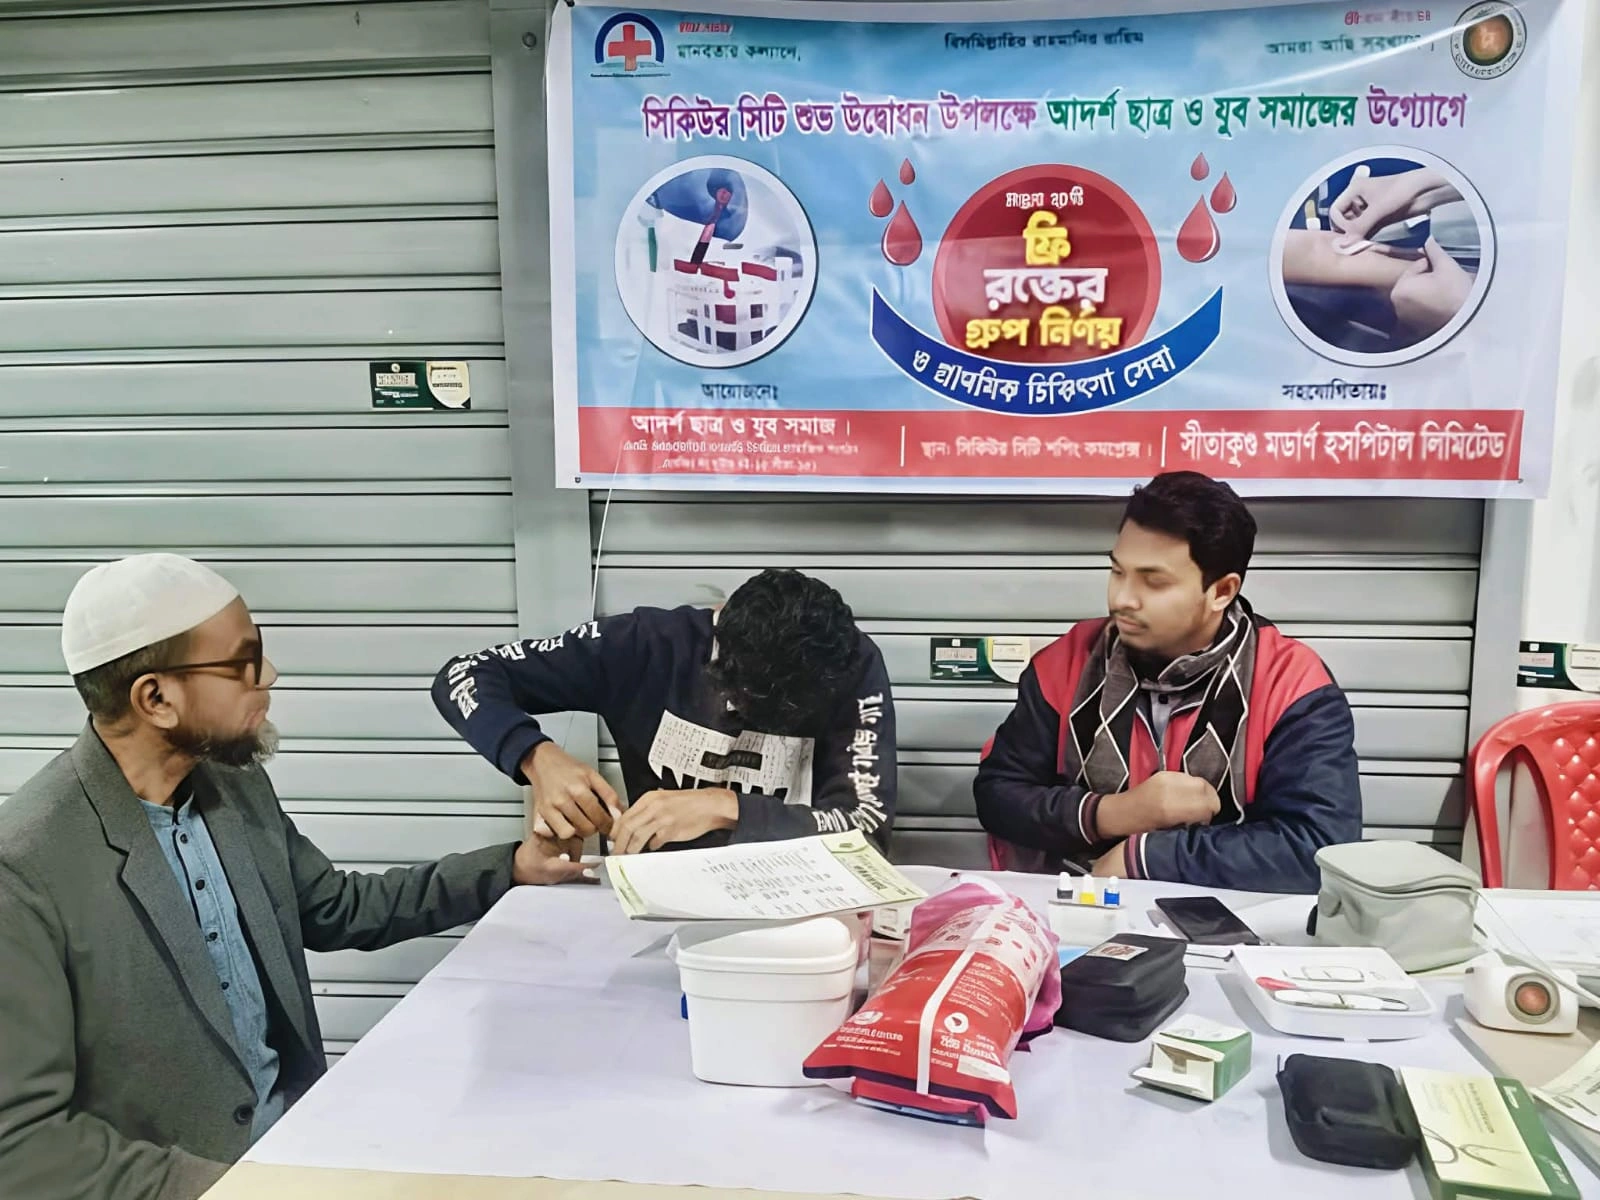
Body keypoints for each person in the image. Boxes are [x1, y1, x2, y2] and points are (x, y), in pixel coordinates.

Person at [0, 554, 590, 1200]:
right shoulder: (25, 868)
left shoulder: (234, 786)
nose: (270, 677)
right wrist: (251, 1190)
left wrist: (512, 867)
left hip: (303, 1147)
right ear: (156, 698)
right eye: (244, 663)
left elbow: (336, 907)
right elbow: (25, 1147)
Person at [973, 472, 1361, 893]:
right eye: (1118, 571)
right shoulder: (1066, 662)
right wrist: (1114, 813)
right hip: (1072, 910)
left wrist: (1145, 856)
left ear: (1222, 591)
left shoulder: (1291, 684)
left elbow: (1318, 848)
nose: (1122, 598)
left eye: (1153, 581)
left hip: (1233, 925)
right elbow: (998, 796)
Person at [433, 568, 895, 854]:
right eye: (739, 700)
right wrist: (536, 757)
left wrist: (728, 807)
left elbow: (865, 830)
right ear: (718, 626)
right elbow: (464, 673)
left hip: (796, 900)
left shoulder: (848, 664)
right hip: (655, 898)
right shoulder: (643, 646)